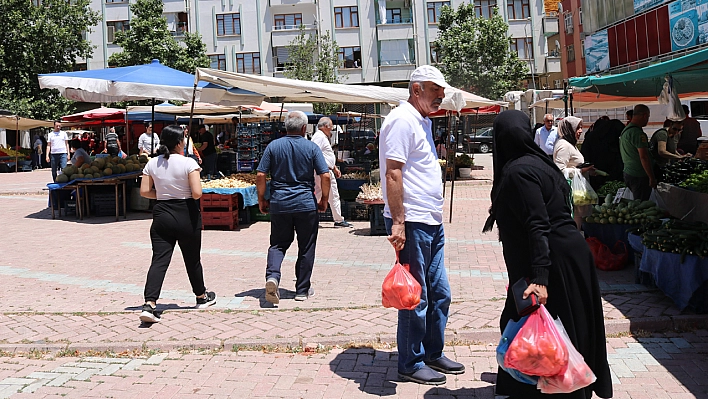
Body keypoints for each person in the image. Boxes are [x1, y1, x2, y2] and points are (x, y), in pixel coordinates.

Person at [483, 110, 612, 399]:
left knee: (546, 331)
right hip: (566, 254)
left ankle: (554, 389)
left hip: (553, 260)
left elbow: (538, 224)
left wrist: (540, 278)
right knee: (557, 327)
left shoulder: (518, 172)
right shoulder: (539, 164)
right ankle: (549, 387)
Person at [379, 65, 465, 386]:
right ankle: (410, 361)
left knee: (439, 292)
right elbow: (393, 173)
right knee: (416, 295)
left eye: (441, 92)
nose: (441, 96)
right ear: (416, 90)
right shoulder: (402, 120)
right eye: (435, 91)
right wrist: (398, 222)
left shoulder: (421, 121)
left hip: (430, 220)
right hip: (412, 221)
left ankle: (431, 352)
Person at [138, 125, 216, 323]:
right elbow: (197, 193)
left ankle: (150, 303)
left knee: (159, 260)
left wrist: (164, 194)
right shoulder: (189, 163)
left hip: (162, 213)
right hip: (186, 213)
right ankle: (201, 296)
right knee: (192, 258)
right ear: (180, 142)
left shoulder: (152, 163)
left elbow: (145, 192)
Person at [256, 111, 330, 304]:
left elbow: (260, 175)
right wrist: (324, 200)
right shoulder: (312, 148)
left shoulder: (273, 146)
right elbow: (326, 176)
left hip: (280, 203)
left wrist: (262, 199)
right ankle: (302, 290)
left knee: (278, 243)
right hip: (305, 203)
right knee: (306, 246)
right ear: (304, 128)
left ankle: (273, 276)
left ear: (286, 127)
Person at [553, 116, 596, 230]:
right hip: (571, 193)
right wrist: (581, 171)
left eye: (581, 127)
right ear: (569, 130)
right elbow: (559, 171)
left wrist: (587, 171)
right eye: (577, 128)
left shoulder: (570, 144)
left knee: (578, 222)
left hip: (576, 193)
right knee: (574, 224)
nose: (581, 131)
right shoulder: (564, 146)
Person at [312, 117, 352, 228]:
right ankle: (338, 220)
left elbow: (324, 155)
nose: (332, 129)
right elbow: (314, 154)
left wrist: (334, 167)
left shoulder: (321, 136)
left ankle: (308, 218)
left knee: (318, 195)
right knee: (333, 195)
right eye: (331, 126)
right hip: (323, 172)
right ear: (325, 126)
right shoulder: (319, 137)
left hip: (324, 170)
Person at [620, 104, 656, 201]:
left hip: (628, 172)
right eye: (648, 117)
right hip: (639, 174)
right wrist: (651, 177)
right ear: (644, 116)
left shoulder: (626, 130)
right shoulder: (637, 133)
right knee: (641, 205)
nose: (647, 120)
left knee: (636, 203)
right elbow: (644, 157)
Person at [580, 118, 626, 190]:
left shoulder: (592, 137)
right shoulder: (613, 139)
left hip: (595, 173)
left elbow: (585, 155)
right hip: (606, 173)